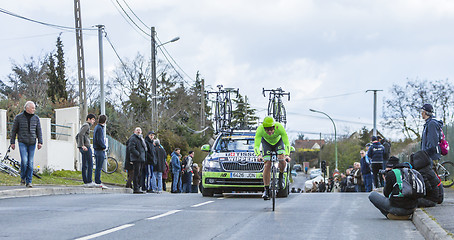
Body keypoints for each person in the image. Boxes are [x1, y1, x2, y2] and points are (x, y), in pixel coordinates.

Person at [254, 116, 291, 200]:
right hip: (266, 144)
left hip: (278, 142)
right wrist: (258, 155)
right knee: (267, 164)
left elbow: (287, 143)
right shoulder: (260, 129)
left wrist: (287, 155)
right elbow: (256, 145)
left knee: (281, 158)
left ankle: (281, 175)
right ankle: (266, 190)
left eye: (271, 129)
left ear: (274, 127)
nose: (269, 131)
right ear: (264, 128)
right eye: (267, 130)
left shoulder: (279, 127)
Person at [10, 101, 43, 188]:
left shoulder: (36, 118)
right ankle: (23, 178)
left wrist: (40, 142)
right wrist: (12, 142)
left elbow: (39, 130)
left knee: (30, 162)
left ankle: (29, 181)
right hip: (22, 142)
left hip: (32, 142)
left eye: (34, 108)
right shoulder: (18, 117)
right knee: (24, 161)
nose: (34, 109)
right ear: (27, 108)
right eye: (32, 108)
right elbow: (13, 131)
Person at [76, 113, 96, 187]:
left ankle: (86, 181)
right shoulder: (86, 125)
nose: (93, 121)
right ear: (89, 119)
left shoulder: (86, 125)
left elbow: (77, 136)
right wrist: (82, 145)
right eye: (93, 119)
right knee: (90, 164)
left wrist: (79, 146)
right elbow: (80, 134)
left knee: (85, 164)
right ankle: (89, 181)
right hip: (86, 147)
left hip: (84, 147)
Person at [128, 127, 147, 194]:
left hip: (141, 159)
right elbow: (131, 148)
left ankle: (138, 187)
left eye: (140, 130)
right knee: (136, 173)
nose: (138, 131)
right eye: (137, 130)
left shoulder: (141, 139)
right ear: (134, 131)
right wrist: (138, 154)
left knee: (140, 174)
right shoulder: (133, 138)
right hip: (136, 159)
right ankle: (136, 188)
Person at [92, 114, 108, 189]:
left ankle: (97, 181)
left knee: (98, 166)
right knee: (99, 166)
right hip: (99, 150)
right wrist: (104, 146)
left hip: (96, 149)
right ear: (105, 121)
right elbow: (99, 140)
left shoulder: (97, 127)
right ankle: (97, 182)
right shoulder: (100, 128)